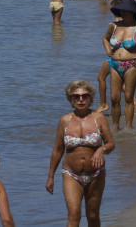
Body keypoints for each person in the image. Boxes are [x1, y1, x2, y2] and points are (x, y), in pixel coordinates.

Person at [46, 80, 115, 227]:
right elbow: (58, 150)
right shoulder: (65, 121)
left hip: (96, 174)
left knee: (93, 216)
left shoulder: (99, 118)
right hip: (71, 174)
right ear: (70, 99)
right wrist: (50, 177)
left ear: (90, 98)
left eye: (85, 96)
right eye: (76, 97)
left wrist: (100, 150)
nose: (81, 99)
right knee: (73, 215)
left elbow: (110, 144)